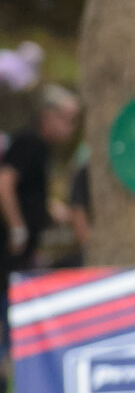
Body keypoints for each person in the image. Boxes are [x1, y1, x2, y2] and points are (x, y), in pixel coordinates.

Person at [0, 86, 76, 277]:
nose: (71, 127)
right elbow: (4, 183)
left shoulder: (43, 148)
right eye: (67, 119)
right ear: (48, 116)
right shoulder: (29, 141)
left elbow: (28, 189)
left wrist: (50, 207)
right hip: (9, 250)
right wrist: (17, 227)